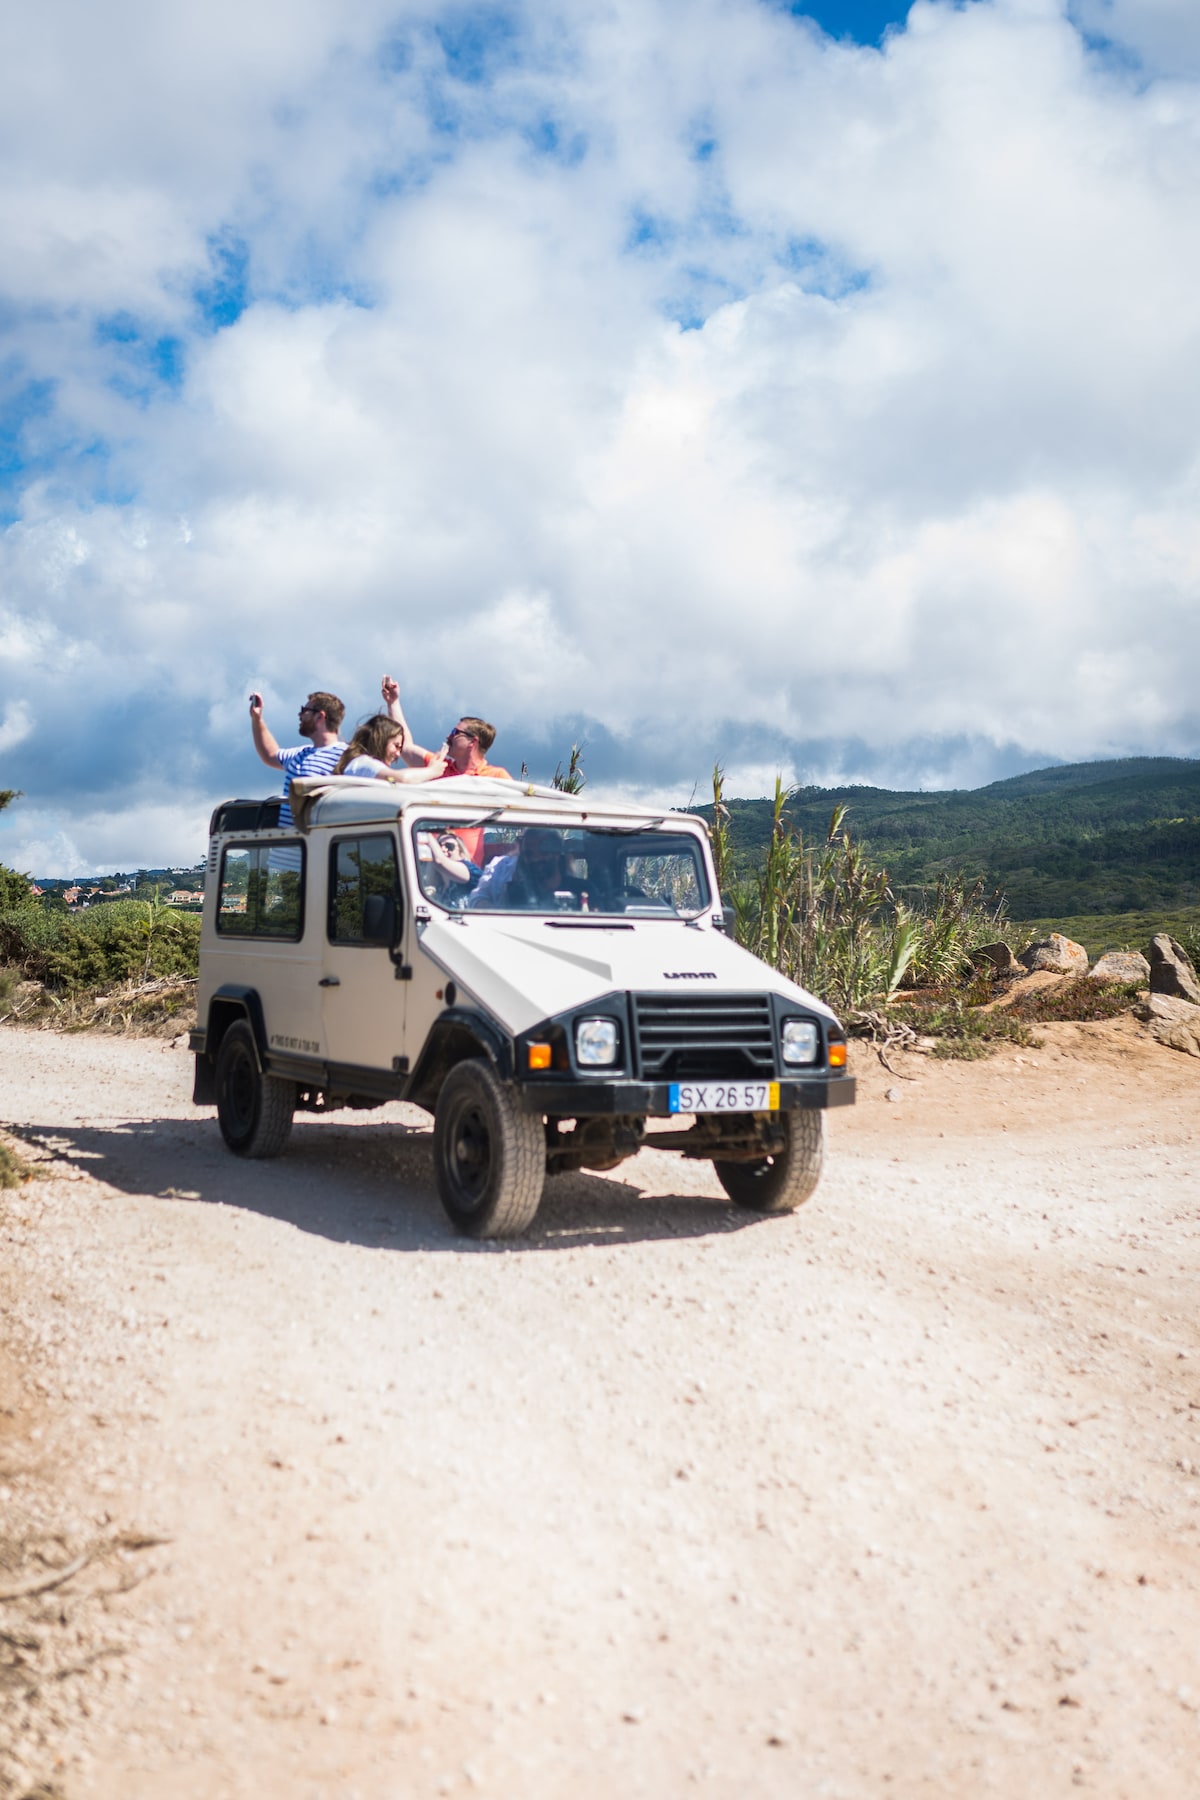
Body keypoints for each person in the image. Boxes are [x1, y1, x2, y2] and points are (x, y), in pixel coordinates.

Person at [249, 690, 347, 828]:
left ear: (320, 716)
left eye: (304, 710)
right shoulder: (301, 753)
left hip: (315, 845)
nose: (299, 715)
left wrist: (390, 706)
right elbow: (270, 755)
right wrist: (257, 718)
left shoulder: (346, 756)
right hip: (284, 846)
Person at [467, 829, 583, 911]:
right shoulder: (503, 870)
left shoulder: (580, 889)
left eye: (543, 852)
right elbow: (477, 898)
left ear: (556, 853)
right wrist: (498, 915)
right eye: (529, 853)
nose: (535, 858)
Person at [334, 716, 447, 783]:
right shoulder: (364, 764)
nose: (398, 754)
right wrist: (432, 771)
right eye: (396, 746)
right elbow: (402, 779)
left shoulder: (356, 762)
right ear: (381, 740)